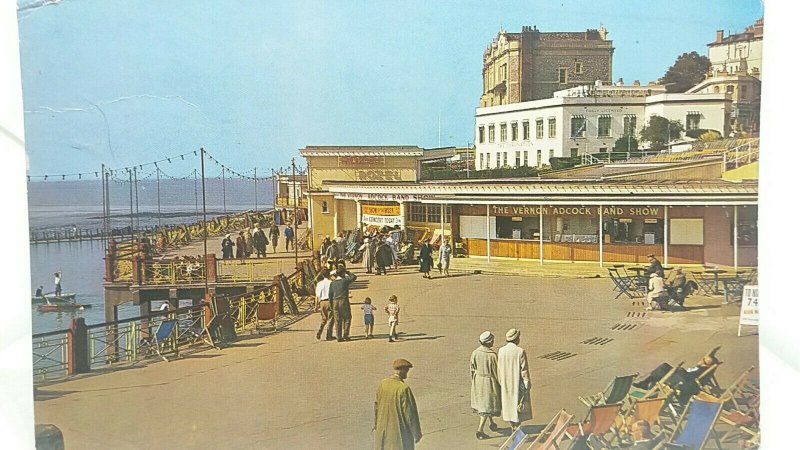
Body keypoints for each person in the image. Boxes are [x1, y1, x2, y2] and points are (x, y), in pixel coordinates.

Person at [633, 347, 722, 405]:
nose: (701, 362)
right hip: (682, 377)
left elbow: (690, 378)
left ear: (708, 366)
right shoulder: (701, 366)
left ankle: (648, 385)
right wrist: (713, 351)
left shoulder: (701, 371)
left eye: (704, 362)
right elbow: (708, 357)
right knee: (664, 366)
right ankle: (648, 383)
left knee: (662, 370)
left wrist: (680, 370)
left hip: (682, 382)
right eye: (703, 360)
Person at [374, 358, 422, 450]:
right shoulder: (403, 389)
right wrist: (417, 433)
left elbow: (376, 406)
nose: (407, 373)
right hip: (398, 435)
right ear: (403, 370)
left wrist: (377, 424)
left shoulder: (383, 383)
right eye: (407, 370)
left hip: (382, 432)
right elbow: (410, 414)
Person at [498, 328, 532, 430]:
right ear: (516, 339)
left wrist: (500, 381)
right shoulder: (520, 351)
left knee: (508, 403)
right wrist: (527, 383)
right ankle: (517, 425)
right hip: (518, 382)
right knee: (519, 404)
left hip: (505, 382)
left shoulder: (501, 351)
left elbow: (499, 368)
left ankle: (512, 425)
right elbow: (524, 369)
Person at [471, 331, 501, 440]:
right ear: (489, 342)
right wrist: (500, 384)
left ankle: (492, 423)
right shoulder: (492, 356)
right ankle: (480, 430)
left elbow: (472, 368)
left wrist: (474, 381)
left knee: (484, 404)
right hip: (489, 382)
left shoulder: (475, 352)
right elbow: (496, 372)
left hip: (478, 380)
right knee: (486, 406)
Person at [328, 264, 357, 342]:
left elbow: (330, 295)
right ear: (343, 273)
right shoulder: (345, 280)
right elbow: (354, 277)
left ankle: (339, 336)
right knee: (347, 317)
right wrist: (347, 271)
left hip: (335, 302)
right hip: (343, 301)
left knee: (337, 319)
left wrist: (331, 305)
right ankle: (346, 335)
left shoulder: (333, 283)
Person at [315, 269, 335, 340]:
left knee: (324, 319)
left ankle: (319, 332)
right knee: (331, 319)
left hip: (322, 302)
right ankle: (329, 335)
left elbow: (317, 296)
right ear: (329, 275)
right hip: (330, 301)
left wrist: (316, 305)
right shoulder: (332, 283)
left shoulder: (319, 283)